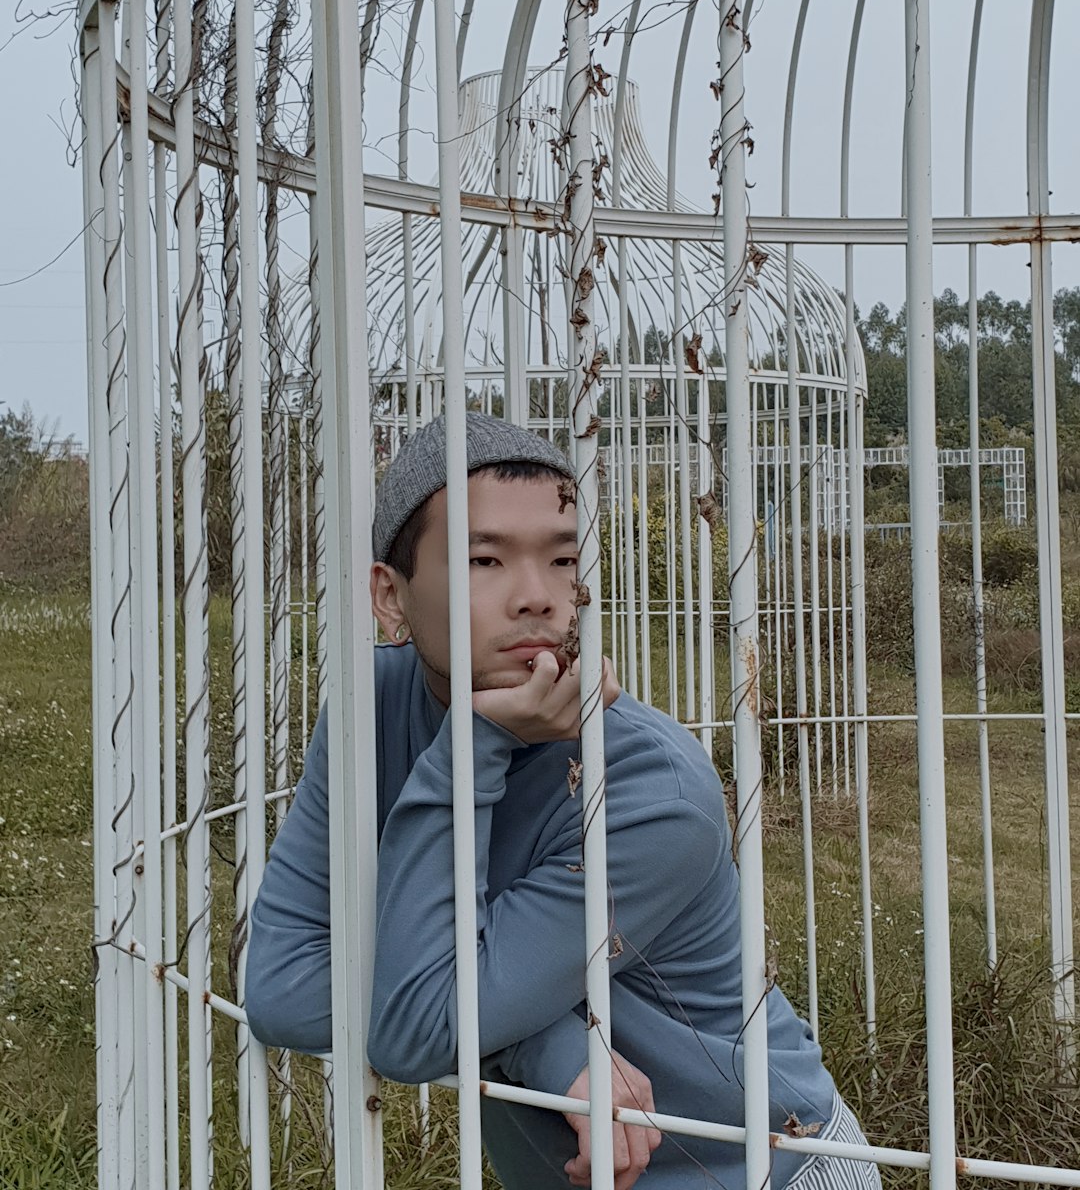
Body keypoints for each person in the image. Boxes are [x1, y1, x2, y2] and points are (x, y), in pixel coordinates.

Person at [245, 412, 880, 1189]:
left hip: (758, 1170)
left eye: (563, 560)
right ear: (390, 597)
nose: (538, 599)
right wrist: (552, 1044)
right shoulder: (371, 709)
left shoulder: (654, 791)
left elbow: (417, 1030)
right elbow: (279, 984)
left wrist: (475, 744)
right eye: (485, 560)